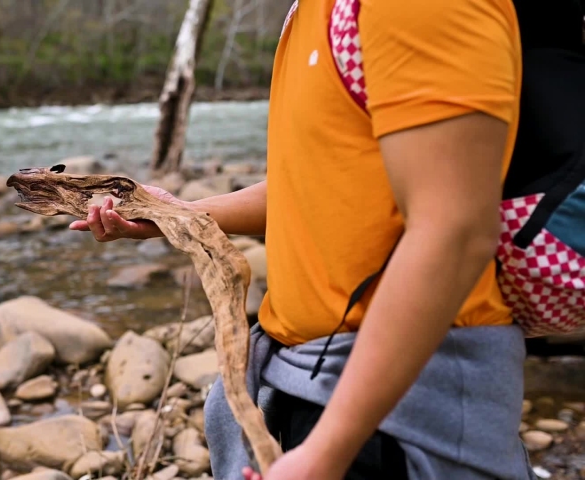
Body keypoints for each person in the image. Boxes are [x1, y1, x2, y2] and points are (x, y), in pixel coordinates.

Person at [70, 0, 533, 478]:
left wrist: (327, 452)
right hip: (315, 385)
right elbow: (317, 183)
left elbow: (455, 231)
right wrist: (178, 214)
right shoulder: (311, 11)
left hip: (399, 407)